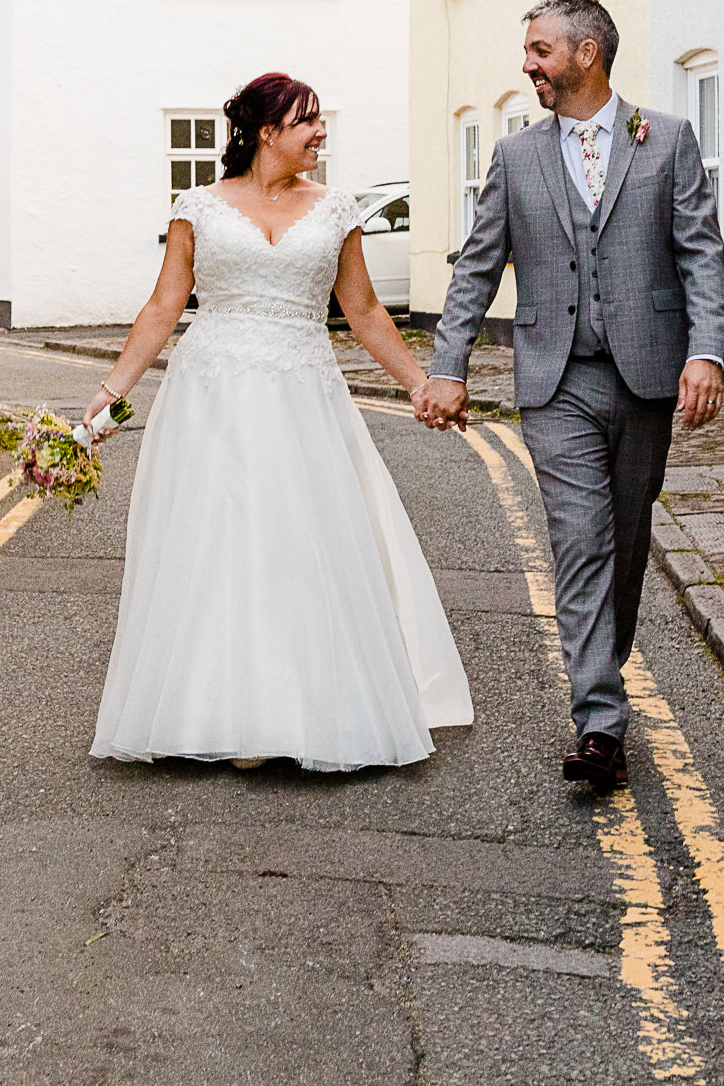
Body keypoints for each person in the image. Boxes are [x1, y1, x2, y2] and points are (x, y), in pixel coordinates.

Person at [85, 73, 473, 772]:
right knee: (216, 542)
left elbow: (363, 311)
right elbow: (164, 305)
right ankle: (210, 709)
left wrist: (422, 384)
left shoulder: (336, 211)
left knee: (298, 541)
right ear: (267, 133)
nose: (320, 132)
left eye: (321, 120)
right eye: (307, 122)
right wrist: (113, 390)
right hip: (212, 392)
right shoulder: (199, 208)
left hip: (302, 392)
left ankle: (294, 710)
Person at [415, 0, 724, 790]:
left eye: (540, 50)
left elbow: (701, 254)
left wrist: (707, 353)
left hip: (648, 374)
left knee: (625, 546)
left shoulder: (666, 141)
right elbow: (477, 267)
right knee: (580, 542)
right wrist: (448, 364)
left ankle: (602, 673)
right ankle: (599, 722)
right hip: (555, 381)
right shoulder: (517, 157)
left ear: (587, 54)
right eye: (529, 50)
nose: (529, 65)